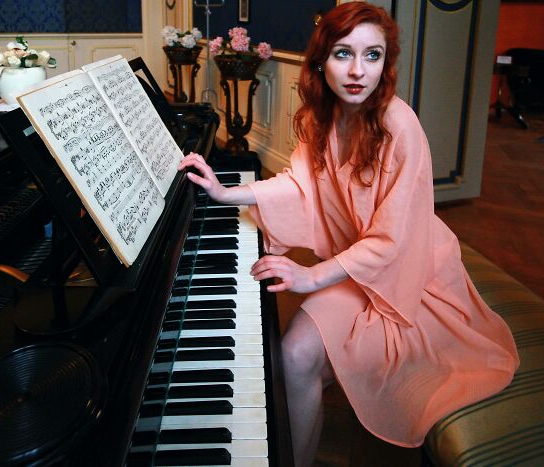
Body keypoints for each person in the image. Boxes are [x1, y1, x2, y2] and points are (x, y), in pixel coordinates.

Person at [179, 3, 519, 466]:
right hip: (357, 264)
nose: (359, 71)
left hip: (409, 275)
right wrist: (225, 193)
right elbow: (297, 184)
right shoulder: (322, 114)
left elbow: (392, 241)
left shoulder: (400, 127)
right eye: (343, 54)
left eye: (373, 55)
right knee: (295, 360)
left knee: (296, 359)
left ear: (386, 61)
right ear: (321, 61)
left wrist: (312, 276)